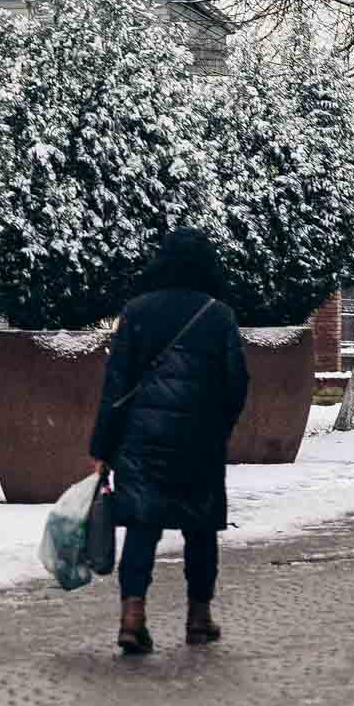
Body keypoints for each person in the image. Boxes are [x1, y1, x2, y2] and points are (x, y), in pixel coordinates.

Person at [90, 227, 249, 656]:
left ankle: (132, 617)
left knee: (142, 529)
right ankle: (199, 618)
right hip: (198, 442)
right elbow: (237, 384)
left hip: (141, 443)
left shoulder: (136, 312)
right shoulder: (218, 315)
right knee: (200, 530)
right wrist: (219, 427)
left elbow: (116, 384)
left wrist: (104, 446)